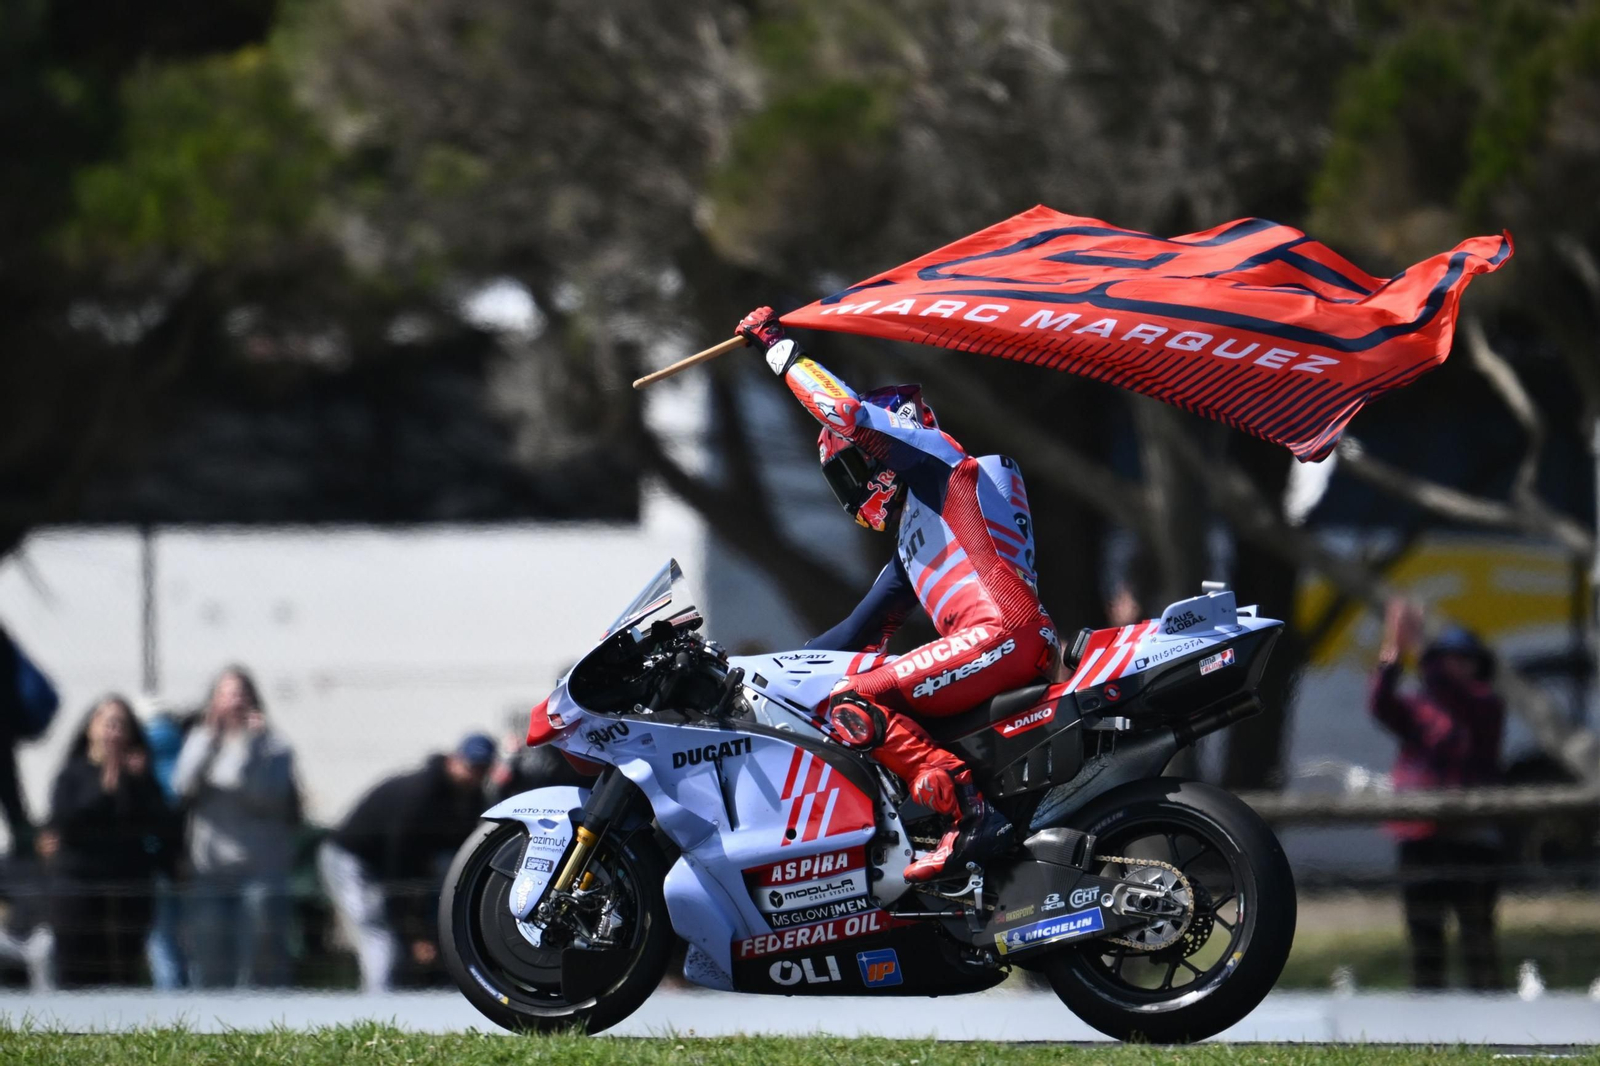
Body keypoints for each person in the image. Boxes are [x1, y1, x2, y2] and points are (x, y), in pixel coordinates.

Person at [737, 306, 1054, 882]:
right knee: (854, 692)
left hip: (998, 634)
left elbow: (847, 411)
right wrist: (754, 676)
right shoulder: (921, 531)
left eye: (850, 468)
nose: (851, 488)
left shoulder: (939, 463)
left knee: (848, 701)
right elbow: (852, 635)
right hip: (1008, 639)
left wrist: (775, 347)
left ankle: (968, 815)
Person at [1370, 599, 1504, 991]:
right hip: (1421, 838)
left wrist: (1418, 644)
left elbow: (1447, 687)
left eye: (1464, 659)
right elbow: (1379, 702)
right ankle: (1428, 1025)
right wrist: (1393, 652)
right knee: (1425, 939)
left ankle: (1492, 1016)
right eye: (1449, 658)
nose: (1454, 666)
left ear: (1477, 666)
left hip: (1473, 840)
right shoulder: (1417, 709)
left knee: (1478, 935)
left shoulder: (1485, 705)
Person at [318, 734, 496, 992]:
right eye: (471, 766)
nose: (475, 775)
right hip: (353, 859)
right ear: (453, 761)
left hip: (394, 867)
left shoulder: (472, 798)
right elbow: (398, 866)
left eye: (482, 769)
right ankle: (379, 1004)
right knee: (378, 931)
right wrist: (412, 932)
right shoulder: (421, 794)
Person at [172, 666, 301, 988]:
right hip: (209, 871)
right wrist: (208, 743)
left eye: (241, 693)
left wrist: (251, 749)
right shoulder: (199, 741)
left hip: (259, 871)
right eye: (227, 694)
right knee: (211, 957)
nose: (235, 701)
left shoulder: (274, 747)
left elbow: (264, 797)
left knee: (261, 957)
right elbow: (182, 786)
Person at [39, 696, 177, 987]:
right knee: (77, 968)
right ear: (91, 729)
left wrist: (139, 782)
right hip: (78, 886)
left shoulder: (140, 778)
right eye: (107, 724)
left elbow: (162, 822)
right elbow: (65, 822)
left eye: (121, 726)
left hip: (127, 887)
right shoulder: (73, 774)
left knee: (122, 970)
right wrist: (104, 789)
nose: (113, 733)